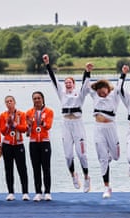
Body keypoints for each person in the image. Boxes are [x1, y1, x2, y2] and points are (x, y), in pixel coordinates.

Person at [42, 54, 91, 193]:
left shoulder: (79, 94)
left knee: (82, 154)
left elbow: (85, 83)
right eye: (66, 82)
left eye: (70, 82)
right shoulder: (61, 93)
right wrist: (47, 64)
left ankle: (87, 177)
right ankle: (73, 175)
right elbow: (53, 80)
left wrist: (87, 71)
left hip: (77, 124)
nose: (68, 84)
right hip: (66, 125)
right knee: (68, 155)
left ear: (74, 84)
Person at [86, 65, 129, 198]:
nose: (100, 93)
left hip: (111, 127)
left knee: (116, 157)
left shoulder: (114, 94)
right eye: (98, 91)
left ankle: (110, 155)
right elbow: (86, 85)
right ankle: (107, 187)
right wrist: (87, 71)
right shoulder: (95, 95)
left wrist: (123, 73)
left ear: (107, 88)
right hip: (98, 128)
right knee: (102, 159)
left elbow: (120, 84)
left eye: (102, 90)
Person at [0, 95, 30, 201]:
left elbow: (25, 129)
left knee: (22, 168)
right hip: (7, 145)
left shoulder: (21, 114)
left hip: (18, 144)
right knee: (8, 169)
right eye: (7, 102)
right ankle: (11, 192)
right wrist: (8, 125)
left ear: (14, 102)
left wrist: (15, 124)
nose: (9, 103)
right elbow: (2, 131)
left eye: (11, 101)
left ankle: (25, 192)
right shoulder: (3, 115)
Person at [26, 91, 54, 202]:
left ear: (43, 99)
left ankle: (47, 192)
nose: (37, 100)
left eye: (38, 98)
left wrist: (42, 123)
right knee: (36, 168)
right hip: (33, 142)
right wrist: (29, 126)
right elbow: (27, 133)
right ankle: (38, 192)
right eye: (35, 98)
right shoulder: (29, 112)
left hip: (44, 142)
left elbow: (48, 126)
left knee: (46, 168)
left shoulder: (49, 111)